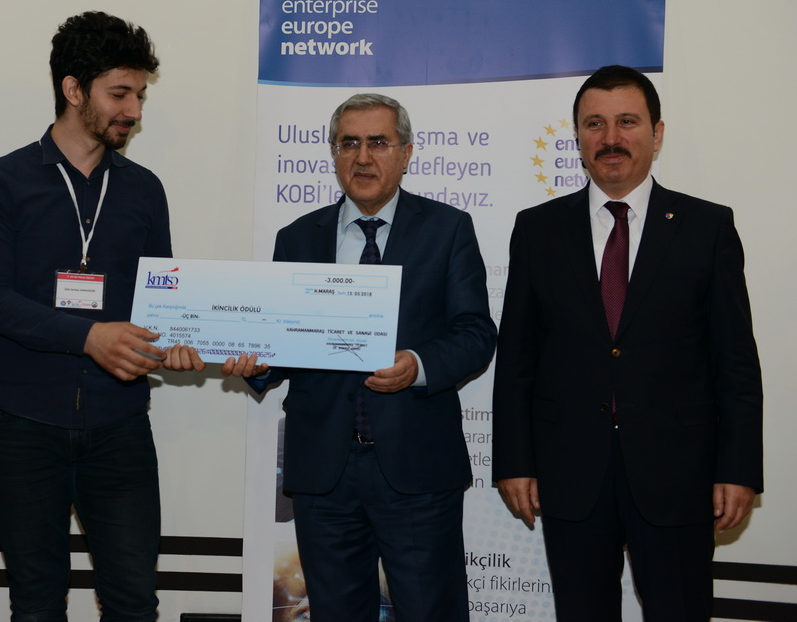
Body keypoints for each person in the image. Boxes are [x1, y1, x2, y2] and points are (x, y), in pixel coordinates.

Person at [492, 65, 763, 621]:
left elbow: (735, 361)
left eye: (627, 122)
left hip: (679, 475)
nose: (610, 138)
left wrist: (738, 468)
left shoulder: (706, 227)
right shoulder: (538, 229)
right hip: (572, 474)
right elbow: (517, 359)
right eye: (594, 124)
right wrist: (514, 461)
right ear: (578, 137)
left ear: (657, 133)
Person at [0, 11, 202, 622]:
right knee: (36, 602)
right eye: (120, 94)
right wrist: (89, 337)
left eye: (140, 95)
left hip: (120, 426)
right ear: (74, 90)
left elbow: (160, 300)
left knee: (133, 601)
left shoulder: (144, 189)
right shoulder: (0, 182)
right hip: (24, 426)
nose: (134, 111)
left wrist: (182, 342)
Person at [224, 93, 497, 621]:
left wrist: (417, 365)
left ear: (406, 152)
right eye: (349, 143)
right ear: (334, 153)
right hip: (324, 471)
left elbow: (475, 334)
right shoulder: (297, 238)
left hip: (417, 468)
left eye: (378, 143)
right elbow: (282, 342)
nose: (363, 157)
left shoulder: (448, 229)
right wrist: (258, 363)